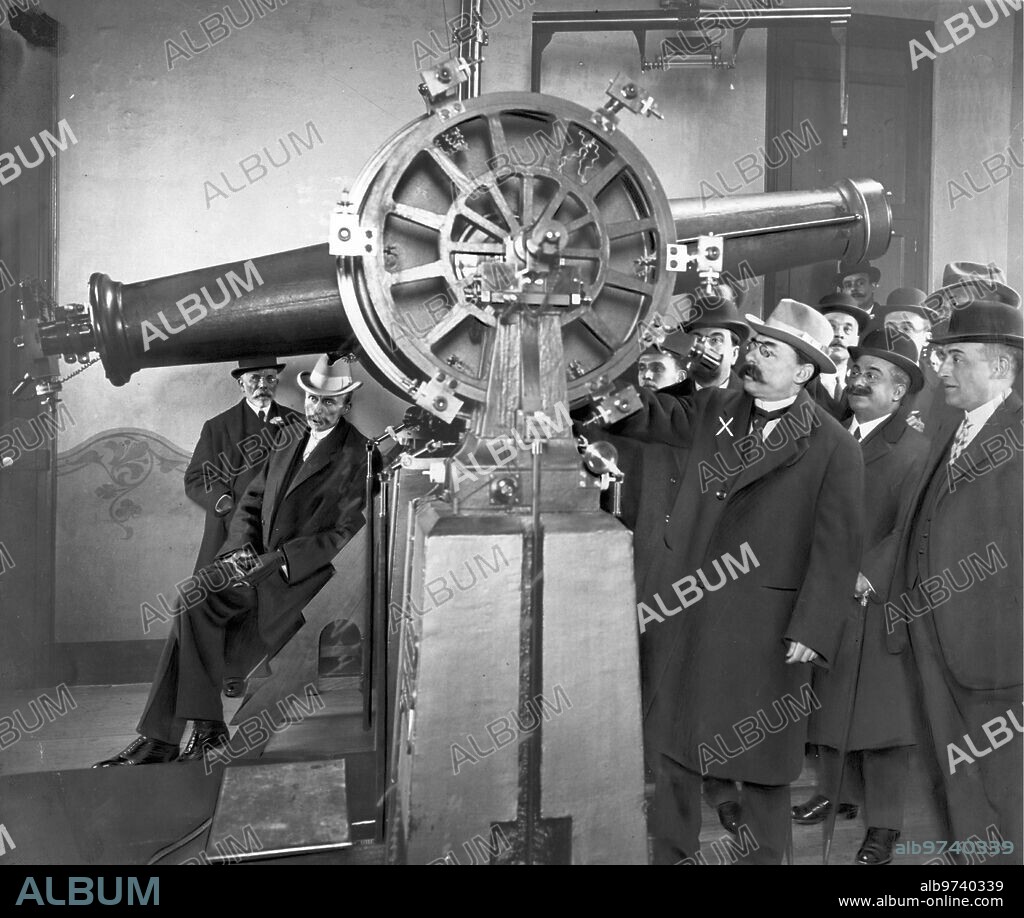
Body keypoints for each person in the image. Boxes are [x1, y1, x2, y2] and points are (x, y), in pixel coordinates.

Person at [608, 298, 863, 864]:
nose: (752, 356)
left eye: (768, 349)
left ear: (803, 371)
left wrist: (815, 628)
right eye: (753, 345)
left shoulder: (833, 446)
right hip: (690, 609)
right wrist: (602, 371)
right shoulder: (714, 407)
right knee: (674, 753)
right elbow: (646, 416)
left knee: (764, 766)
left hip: (766, 626)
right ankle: (670, 855)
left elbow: (838, 549)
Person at [94, 355, 367, 766]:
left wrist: (280, 559)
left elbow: (344, 532)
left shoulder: (357, 454)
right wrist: (240, 547)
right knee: (190, 598)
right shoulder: (288, 437)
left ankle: (171, 737)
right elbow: (252, 500)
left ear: (346, 404)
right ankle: (198, 732)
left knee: (191, 612)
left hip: (301, 582)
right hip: (254, 564)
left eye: (329, 403)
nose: (317, 409)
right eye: (312, 399)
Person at [887, 280, 1023, 865]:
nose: (940, 367)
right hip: (935, 644)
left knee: (1006, 794)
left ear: (999, 365)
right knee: (957, 791)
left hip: (998, 655)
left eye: (954, 357)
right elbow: (925, 519)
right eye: (940, 355)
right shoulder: (953, 429)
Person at [794, 329, 929, 865]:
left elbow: (915, 528)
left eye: (873, 374)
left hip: (878, 601)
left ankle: (885, 826)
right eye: (856, 370)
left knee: (882, 722)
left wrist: (867, 573)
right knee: (826, 704)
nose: (858, 379)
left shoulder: (915, 450)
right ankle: (837, 795)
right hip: (824, 593)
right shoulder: (827, 434)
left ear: (899, 392)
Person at [183, 357, 304, 696]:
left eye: (269, 378)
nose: (262, 385)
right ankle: (232, 673)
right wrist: (223, 501)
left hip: (281, 530)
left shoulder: (297, 423)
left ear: (277, 382)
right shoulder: (218, 426)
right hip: (231, 531)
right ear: (240, 383)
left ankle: (282, 672)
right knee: (230, 596)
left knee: (275, 598)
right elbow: (196, 477)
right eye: (254, 379)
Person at [877, 287, 948, 434]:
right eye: (890, 328)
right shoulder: (861, 378)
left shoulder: (942, 388)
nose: (897, 336)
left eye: (907, 328)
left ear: (926, 338)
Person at [808, 292, 869, 421]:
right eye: (831, 327)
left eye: (847, 329)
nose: (839, 334)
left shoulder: (865, 386)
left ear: (856, 340)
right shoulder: (800, 382)